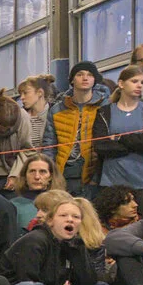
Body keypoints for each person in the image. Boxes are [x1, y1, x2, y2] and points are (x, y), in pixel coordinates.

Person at [2, 197, 111, 285]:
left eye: (76, 217)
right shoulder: (35, 240)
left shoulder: (71, 244)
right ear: (50, 221)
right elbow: (28, 280)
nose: (70, 220)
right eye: (63, 215)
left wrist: (78, 252)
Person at [92, 67, 143, 208]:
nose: (139, 85)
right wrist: (139, 139)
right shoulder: (104, 112)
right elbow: (101, 146)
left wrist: (119, 138)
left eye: (142, 82)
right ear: (121, 84)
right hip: (112, 181)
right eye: (134, 81)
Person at [48, 62, 111, 198]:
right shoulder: (57, 109)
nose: (85, 78)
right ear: (72, 80)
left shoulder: (106, 107)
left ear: (95, 80)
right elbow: (49, 144)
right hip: (65, 170)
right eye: (80, 74)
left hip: (95, 171)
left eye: (89, 75)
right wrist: (50, 172)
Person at [16, 76, 55, 154]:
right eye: (20, 94)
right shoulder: (19, 117)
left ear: (40, 92)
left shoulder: (55, 113)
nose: (22, 97)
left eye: (25, 93)